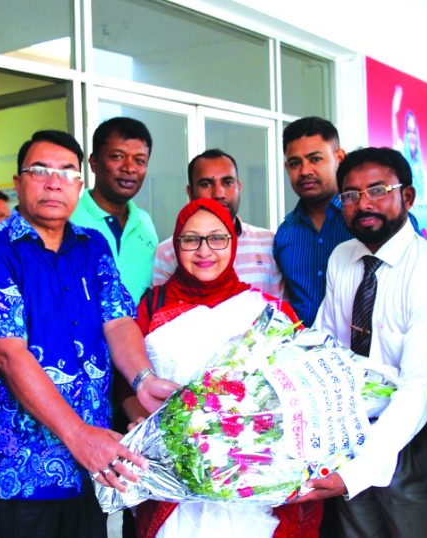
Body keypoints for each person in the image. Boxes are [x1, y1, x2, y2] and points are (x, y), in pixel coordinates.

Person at [0, 130, 176, 538]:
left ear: (80, 184)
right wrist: (79, 436)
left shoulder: (92, 246)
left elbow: (118, 321)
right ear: (18, 181)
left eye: (66, 172)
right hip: (22, 475)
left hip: (90, 468)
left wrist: (143, 380)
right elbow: (8, 354)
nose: (53, 181)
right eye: (40, 170)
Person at [130, 198, 321, 538]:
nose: (205, 250)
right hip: (171, 479)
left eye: (217, 238)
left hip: (250, 484)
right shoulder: (151, 305)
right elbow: (126, 381)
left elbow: (302, 386)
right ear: (176, 245)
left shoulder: (266, 311)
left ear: (233, 244)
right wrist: (146, 424)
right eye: (191, 239)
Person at [305, 147, 427, 537]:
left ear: (408, 197)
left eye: (378, 190)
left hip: (406, 442)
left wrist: (356, 473)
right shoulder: (342, 258)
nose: (363, 203)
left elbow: (420, 386)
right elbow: (325, 346)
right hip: (343, 434)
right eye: (350, 195)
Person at [152, 149, 283, 296]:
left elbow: (280, 311)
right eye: (206, 184)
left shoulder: (267, 242)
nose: (219, 194)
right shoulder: (167, 251)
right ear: (190, 192)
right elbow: (161, 311)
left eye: (227, 182)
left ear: (239, 187)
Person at [71, 117, 158, 304]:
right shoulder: (68, 218)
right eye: (117, 156)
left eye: (140, 160)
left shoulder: (145, 222)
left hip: (137, 333)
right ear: (94, 163)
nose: (129, 168)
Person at [273, 117, 350, 327]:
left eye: (315, 159)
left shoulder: (365, 222)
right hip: (302, 355)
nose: (305, 171)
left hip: (365, 355)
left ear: (339, 158)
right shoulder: (285, 234)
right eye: (295, 163)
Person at [392, 85, 425, 199]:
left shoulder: (420, 161)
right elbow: (395, 130)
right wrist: (394, 110)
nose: (412, 136)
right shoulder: (402, 151)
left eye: (414, 132)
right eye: (409, 131)